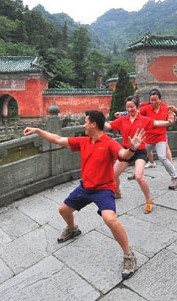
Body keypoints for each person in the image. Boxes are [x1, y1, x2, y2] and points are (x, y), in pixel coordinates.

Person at [23, 111, 145, 279]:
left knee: (110, 219)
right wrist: (38, 131)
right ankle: (72, 229)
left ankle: (129, 255)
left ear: (94, 124)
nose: (83, 125)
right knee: (63, 210)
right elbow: (57, 139)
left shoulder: (109, 143)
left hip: (103, 189)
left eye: (85, 121)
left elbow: (123, 155)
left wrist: (132, 148)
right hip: (85, 188)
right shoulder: (83, 141)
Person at [107, 95, 174, 213]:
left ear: (137, 107)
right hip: (127, 151)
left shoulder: (144, 120)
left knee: (139, 176)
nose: (129, 110)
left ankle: (149, 200)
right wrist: (96, 121)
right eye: (127, 107)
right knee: (113, 175)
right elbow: (108, 125)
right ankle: (117, 191)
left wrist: (169, 122)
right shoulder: (123, 120)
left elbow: (157, 123)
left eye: (131, 107)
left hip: (140, 152)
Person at [140, 89, 177, 190]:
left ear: (160, 99)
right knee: (140, 156)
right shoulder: (146, 109)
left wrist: (171, 118)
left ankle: (175, 178)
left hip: (160, 137)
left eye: (155, 100)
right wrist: (122, 114)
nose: (153, 102)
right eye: (151, 100)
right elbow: (134, 113)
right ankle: (137, 173)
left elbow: (172, 117)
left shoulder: (166, 108)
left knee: (162, 157)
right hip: (148, 138)